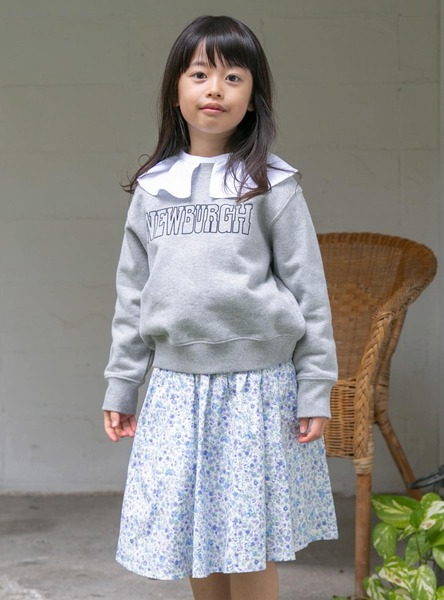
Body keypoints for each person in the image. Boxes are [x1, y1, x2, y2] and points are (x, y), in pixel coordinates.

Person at [103, 15, 338, 600]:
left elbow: (310, 293)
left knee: (247, 540)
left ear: (252, 98)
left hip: (257, 392)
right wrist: (122, 385)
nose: (215, 89)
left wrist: (315, 388)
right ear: (175, 91)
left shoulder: (273, 186)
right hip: (177, 391)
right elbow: (132, 297)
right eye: (200, 74)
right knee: (195, 535)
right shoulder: (153, 191)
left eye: (233, 77)